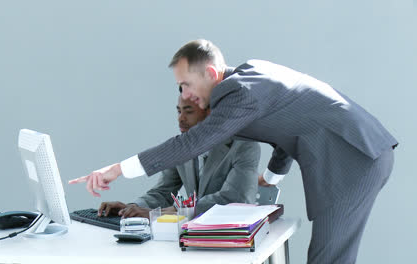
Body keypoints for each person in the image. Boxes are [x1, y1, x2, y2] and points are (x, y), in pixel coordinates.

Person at [70, 39, 397, 264]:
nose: (184, 94)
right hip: (355, 150)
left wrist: (118, 169)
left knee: (329, 258)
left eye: (186, 84)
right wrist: (270, 177)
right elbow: (292, 128)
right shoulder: (252, 75)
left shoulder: (238, 93)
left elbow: (192, 143)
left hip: (350, 156)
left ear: (211, 74)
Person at [97, 95, 260, 219]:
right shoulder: (181, 147)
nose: (180, 119)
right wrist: (130, 208)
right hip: (191, 238)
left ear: (211, 114)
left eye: (188, 112)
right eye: (179, 111)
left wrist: (158, 214)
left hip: (229, 236)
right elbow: (162, 192)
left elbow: (233, 200)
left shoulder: (244, 146)